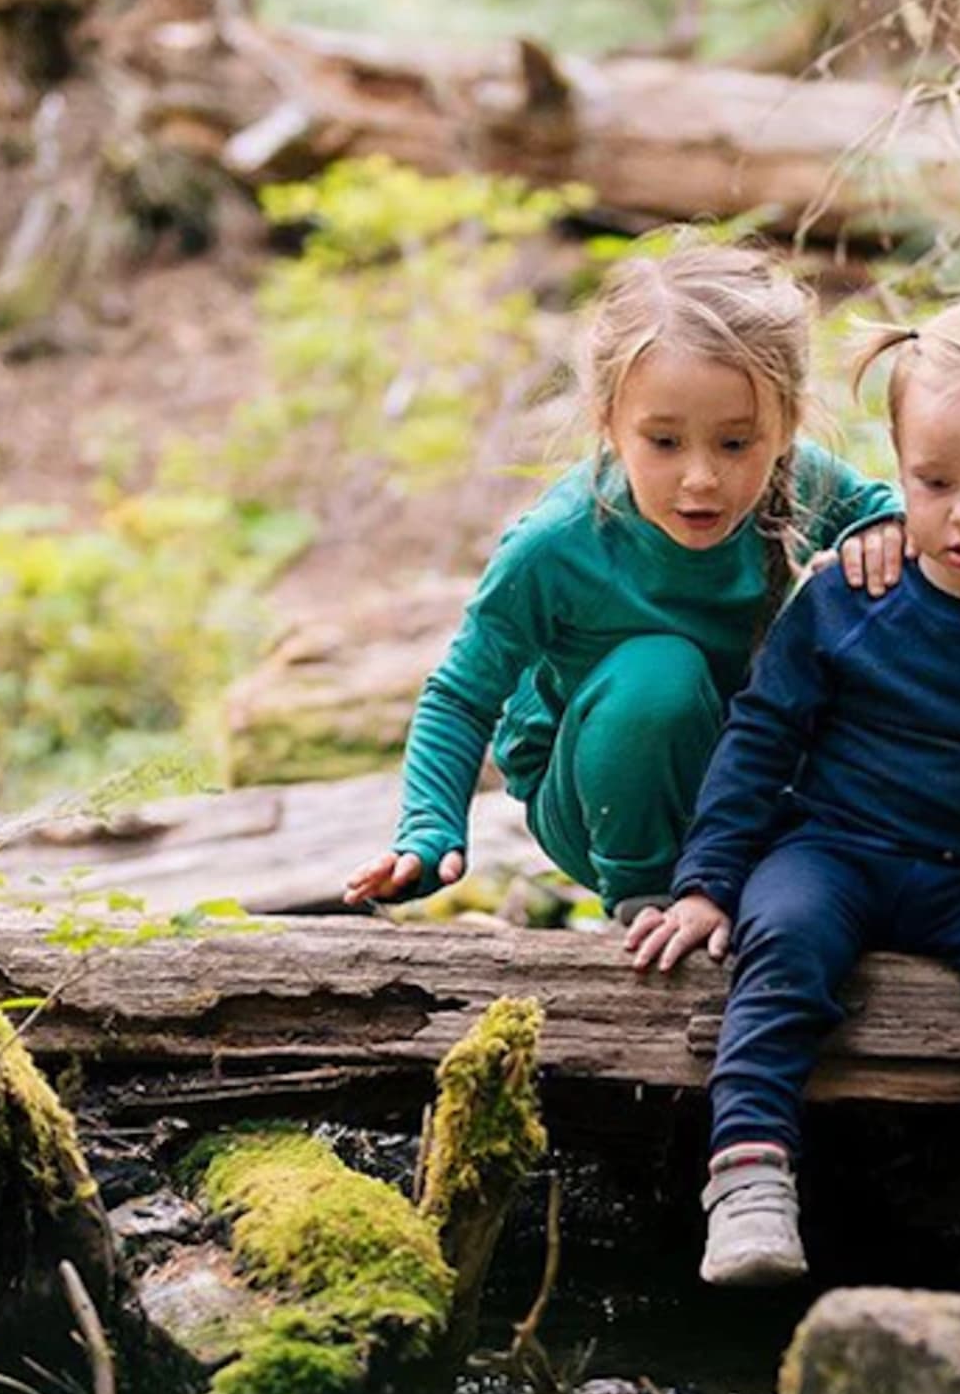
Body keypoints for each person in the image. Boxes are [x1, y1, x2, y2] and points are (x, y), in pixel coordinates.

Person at [626, 288, 960, 1314]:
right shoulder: (847, 597)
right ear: (899, 469)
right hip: (828, 851)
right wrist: (707, 885)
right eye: (933, 481)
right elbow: (759, 739)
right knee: (780, 938)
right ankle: (748, 1175)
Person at [342, 242, 908, 918]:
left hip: (738, 778)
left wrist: (886, 534)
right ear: (610, 422)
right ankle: (648, 897)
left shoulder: (803, 480)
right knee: (658, 671)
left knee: (860, 604)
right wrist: (430, 832)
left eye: (735, 443)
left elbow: (885, 513)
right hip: (599, 800)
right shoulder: (559, 545)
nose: (701, 477)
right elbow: (461, 696)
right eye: (664, 443)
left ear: (785, 423)